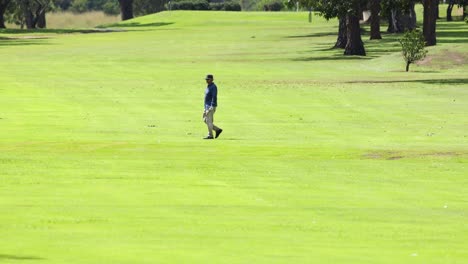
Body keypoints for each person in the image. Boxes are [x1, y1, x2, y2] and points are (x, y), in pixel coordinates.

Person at [203, 74, 223, 139]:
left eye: (208, 79)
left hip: (210, 106)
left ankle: (210, 135)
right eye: (206, 79)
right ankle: (217, 130)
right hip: (206, 106)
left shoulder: (213, 87)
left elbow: (214, 97)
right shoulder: (208, 86)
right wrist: (204, 108)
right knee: (205, 120)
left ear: (212, 79)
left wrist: (211, 106)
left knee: (208, 121)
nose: (207, 80)